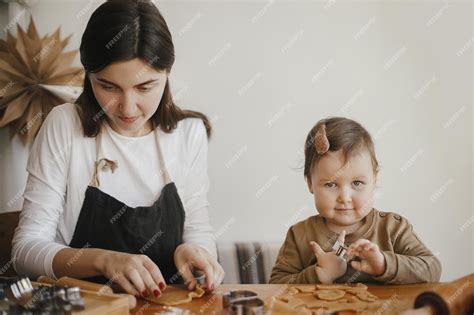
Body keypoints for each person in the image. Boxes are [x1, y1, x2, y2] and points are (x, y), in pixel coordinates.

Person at [12, 0, 224, 299]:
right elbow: (24, 253)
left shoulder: (188, 134)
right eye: (108, 86)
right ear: (88, 76)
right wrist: (104, 259)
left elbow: (198, 229)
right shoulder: (64, 125)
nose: (127, 108)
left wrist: (194, 251)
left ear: (167, 73)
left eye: (145, 87)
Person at [269, 117, 441, 284]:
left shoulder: (393, 228)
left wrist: (384, 265)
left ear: (375, 180)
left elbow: (432, 269)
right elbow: (275, 287)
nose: (345, 197)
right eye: (330, 184)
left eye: (357, 183)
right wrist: (318, 274)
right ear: (310, 183)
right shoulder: (300, 235)